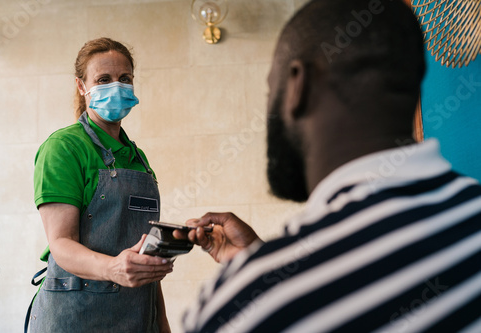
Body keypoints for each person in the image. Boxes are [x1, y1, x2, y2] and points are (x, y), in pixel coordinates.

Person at [176, 0, 481, 332]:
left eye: (270, 90)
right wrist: (263, 263)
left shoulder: (240, 309)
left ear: (297, 86)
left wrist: (260, 276)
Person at [29, 37, 173, 332]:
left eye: (125, 78)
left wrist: (162, 324)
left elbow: (142, 257)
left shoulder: (137, 158)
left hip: (136, 318)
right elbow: (61, 244)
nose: (116, 87)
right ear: (82, 87)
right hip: (75, 317)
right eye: (104, 79)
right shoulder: (64, 148)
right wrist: (113, 269)